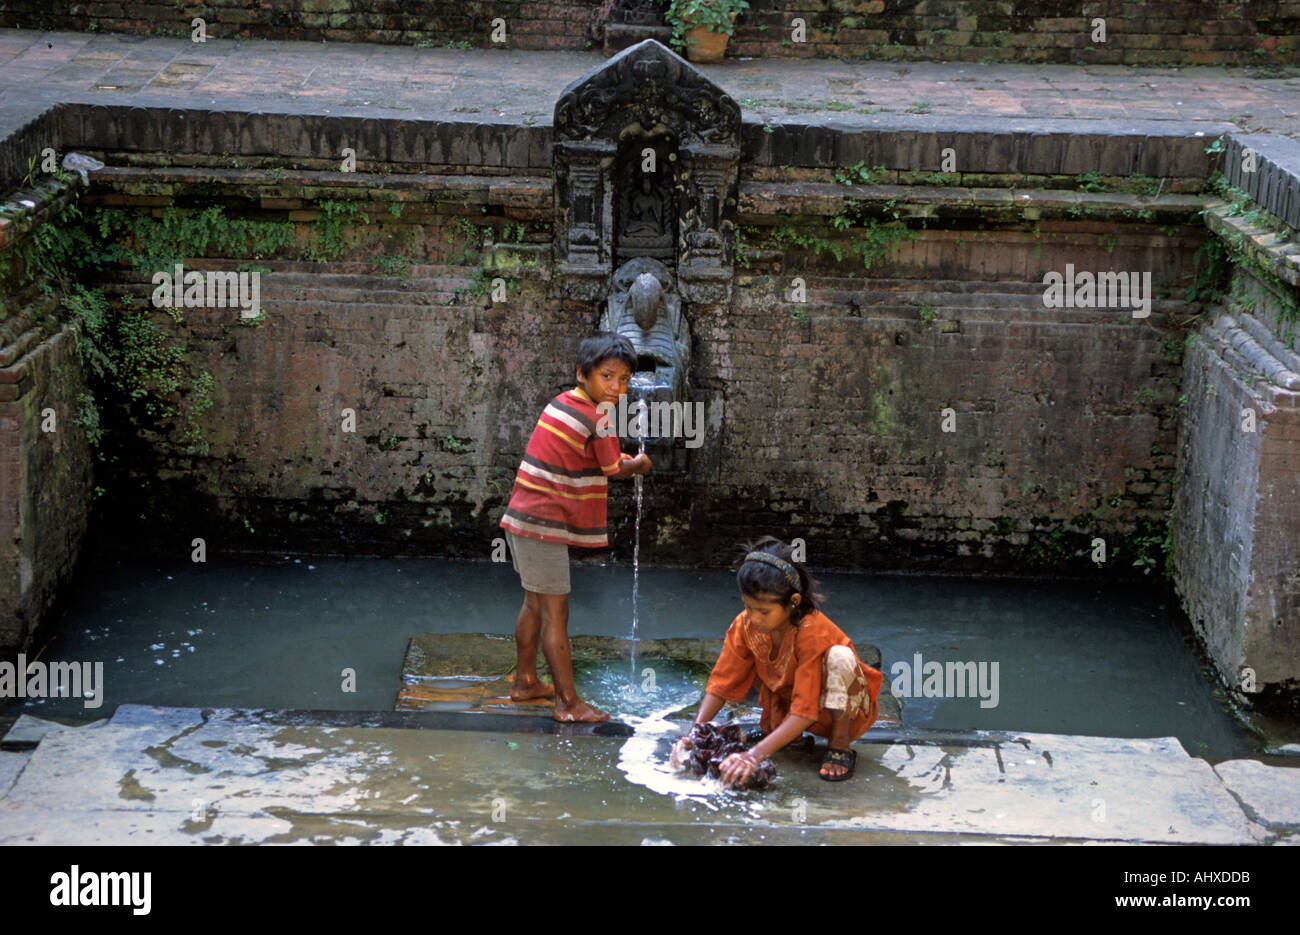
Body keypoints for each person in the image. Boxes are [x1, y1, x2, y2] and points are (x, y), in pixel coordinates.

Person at [499, 333, 652, 722]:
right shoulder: (599, 415)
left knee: (534, 603)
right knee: (555, 613)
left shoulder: (562, 402)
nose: (616, 387)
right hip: (543, 524)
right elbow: (613, 468)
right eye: (607, 377)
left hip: (522, 517)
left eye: (624, 380)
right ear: (582, 374)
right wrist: (640, 464)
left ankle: (526, 682)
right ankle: (569, 704)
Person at [674, 538, 883, 782]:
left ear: (793, 602)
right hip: (789, 709)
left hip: (834, 711)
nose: (754, 617)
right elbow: (721, 686)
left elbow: (804, 710)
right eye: (748, 607)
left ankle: (840, 742)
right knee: (750, 660)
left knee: (840, 656)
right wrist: (693, 736)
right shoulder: (745, 625)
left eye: (763, 611)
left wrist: (753, 756)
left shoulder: (812, 630)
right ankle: (787, 736)